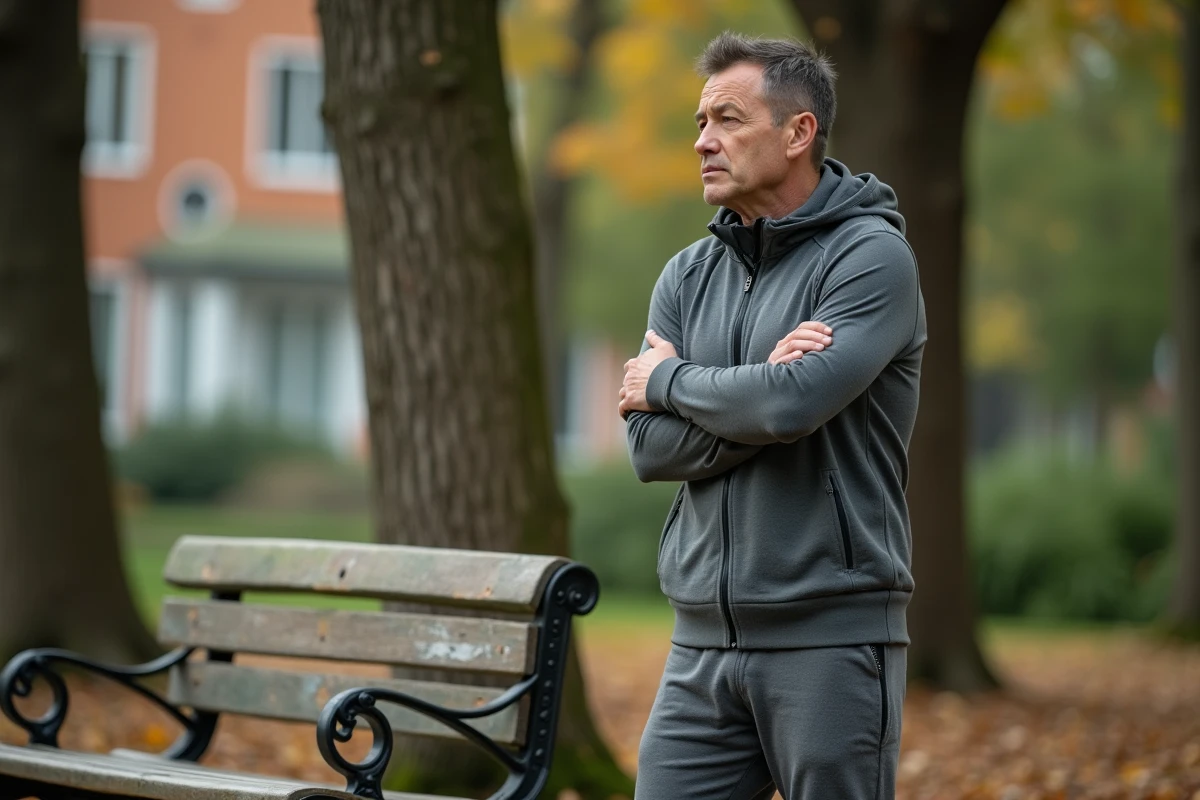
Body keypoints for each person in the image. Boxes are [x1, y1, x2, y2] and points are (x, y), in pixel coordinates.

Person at [618, 31, 927, 800]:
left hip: (830, 636)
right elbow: (650, 449)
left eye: (727, 119)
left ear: (798, 133)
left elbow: (790, 405)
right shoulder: (687, 276)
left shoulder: (871, 258)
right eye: (699, 122)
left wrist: (671, 380)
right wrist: (757, 395)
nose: (702, 142)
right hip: (698, 646)